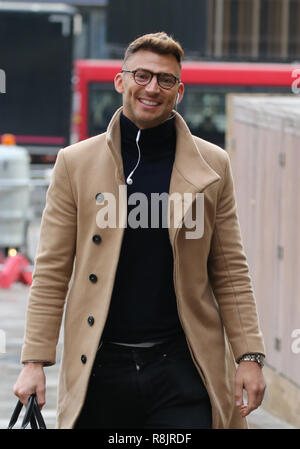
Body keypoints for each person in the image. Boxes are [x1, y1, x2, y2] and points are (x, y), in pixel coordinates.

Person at [13, 32, 266, 429]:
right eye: (142, 75)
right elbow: (51, 271)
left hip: (183, 367)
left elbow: (231, 269)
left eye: (165, 80)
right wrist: (33, 362)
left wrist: (249, 356)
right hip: (100, 365)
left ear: (179, 90)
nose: (152, 88)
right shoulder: (75, 163)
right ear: (121, 81)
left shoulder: (212, 165)